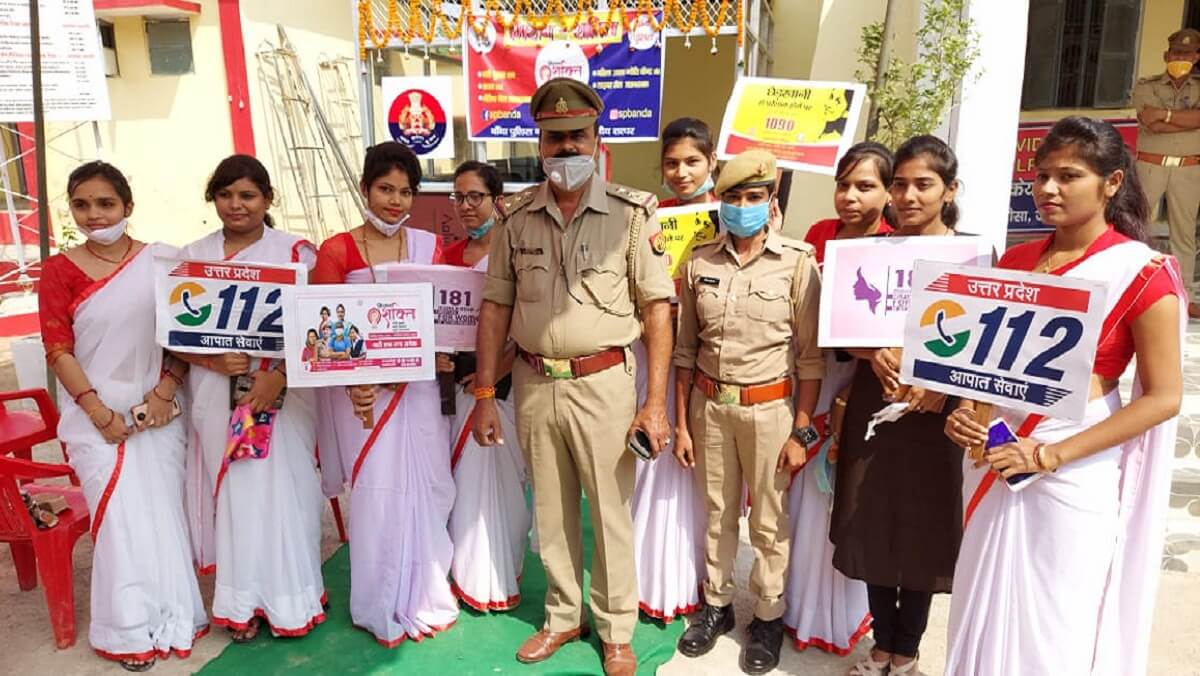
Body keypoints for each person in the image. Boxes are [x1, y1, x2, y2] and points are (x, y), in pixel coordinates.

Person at [943, 116, 1184, 676]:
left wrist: (1049, 455)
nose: (1047, 189)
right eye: (1041, 175)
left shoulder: (1143, 273)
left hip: (1073, 462)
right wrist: (966, 415)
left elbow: (1164, 396)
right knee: (980, 595)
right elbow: (984, 368)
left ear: (1112, 182)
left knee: (1055, 615)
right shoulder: (1016, 261)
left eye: (1068, 176)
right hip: (994, 456)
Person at [470, 78, 675, 676]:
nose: (565, 149)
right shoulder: (514, 217)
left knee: (609, 510)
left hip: (605, 383)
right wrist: (487, 394)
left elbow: (658, 308)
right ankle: (564, 617)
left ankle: (615, 627)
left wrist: (655, 403)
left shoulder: (634, 215)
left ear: (596, 137)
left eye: (575, 136)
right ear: (540, 142)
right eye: (554, 138)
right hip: (534, 384)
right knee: (552, 512)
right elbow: (495, 309)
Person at [39, 161, 207, 671]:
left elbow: (185, 332)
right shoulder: (59, 270)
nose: (94, 215)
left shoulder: (163, 261)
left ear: (128, 207)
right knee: (119, 522)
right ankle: (128, 628)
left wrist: (165, 390)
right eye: (82, 204)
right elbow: (58, 348)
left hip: (158, 411)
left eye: (105, 203)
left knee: (161, 516)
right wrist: (97, 412)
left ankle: (176, 616)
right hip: (94, 418)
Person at [672, 149, 823, 675]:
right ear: (719, 201)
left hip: (771, 409)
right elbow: (685, 350)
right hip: (709, 407)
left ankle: (766, 614)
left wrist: (801, 428)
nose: (742, 207)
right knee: (715, 513)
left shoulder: (798, 263)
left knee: (769, 521)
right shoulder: (698, 260)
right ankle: (715, 606)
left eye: (753, 197)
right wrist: (680, 422)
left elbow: (809, 358)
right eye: (732, 197)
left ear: (770, 201)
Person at [175, 154, 325, 643]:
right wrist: (213, 363)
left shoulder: (297, 255)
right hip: (218, 393)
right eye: (225, 195)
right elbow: (173, 332)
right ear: (212, 198)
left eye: (247, 195)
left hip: (286, 394)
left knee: (288, 490)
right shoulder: (192, 258)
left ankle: (291, 598)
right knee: (239, 495)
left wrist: (277, 376)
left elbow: (319, 326)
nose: (235, 205)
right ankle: (242, 604)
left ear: (267, 199)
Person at [312, 141, 456, 647]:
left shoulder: (427, 247)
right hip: (364, 396)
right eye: (385, 189)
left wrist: (437, 356)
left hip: (416, 393)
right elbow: (325, 332)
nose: (395, 201)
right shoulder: (336, 250)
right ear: (365, 190)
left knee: (432, 487)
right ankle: (380, 602)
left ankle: (427, 592)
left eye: (405, 192)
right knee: (377, 495)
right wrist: (359, 382)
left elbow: (441, 318)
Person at [830, 136, 965, 676]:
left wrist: (942, 385)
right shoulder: (869, 252)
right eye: (901, 184)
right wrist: (871, 350)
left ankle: (906, 650)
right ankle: (881, 643)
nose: (909, 196)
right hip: (874, 403)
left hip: (935, 414)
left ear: (949, 190)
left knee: (922, 527)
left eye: (924, 184)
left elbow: (982, 344)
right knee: (873, 520)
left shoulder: (972, 255)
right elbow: (838, 335)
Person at [782, 142, 893, 656]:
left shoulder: (897, 247)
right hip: (810, 379)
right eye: (843, 184)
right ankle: (797, 606)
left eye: (865, 186)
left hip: (862, 384)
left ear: (888, 192)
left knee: (843, 497)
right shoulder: (817, 236)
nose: (850, 196)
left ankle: (842, 614)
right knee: (805, 497)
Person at [629, 121, 712, 624]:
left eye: (692, 162)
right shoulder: (646, 219)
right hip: (652, 350)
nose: (681, 172)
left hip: (705, 359)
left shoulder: (732, 218)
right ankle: (646, 579)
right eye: (672, 163)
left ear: (711, 163)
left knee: (695, 466)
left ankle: (693, 579)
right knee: (651, 465)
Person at [441, 160, 530, 612]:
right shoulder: (448, 257)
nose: (466, 206)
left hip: (506, 382)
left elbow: (524, 323)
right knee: (466, 482)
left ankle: (501, 574)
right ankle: (470, 577)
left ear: (498, 202)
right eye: (458, 197)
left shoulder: (517, 251)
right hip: (458, 382)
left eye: (475, 197)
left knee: (504, 482)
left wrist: (492, 376)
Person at [1132, 28, 1200, 319]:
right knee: (1136, 227)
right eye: (1175, 53)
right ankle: (1132, 288)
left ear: (1196, 57)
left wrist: (1166, 115)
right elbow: (1151, 124)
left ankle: (1185, 294)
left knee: (1184, 235)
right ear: (1165, 55)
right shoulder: (1147, 86)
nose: (1180, 58)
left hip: (1188, 168)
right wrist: (1188, 122)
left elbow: (1163, 120)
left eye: (1186, 54)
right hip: (1150, 165)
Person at [659, 117, 720, 208]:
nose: (681, 174)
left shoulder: (728, 217)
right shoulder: (652, 216)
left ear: (712, 161)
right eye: (672, 163)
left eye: (692, 161)